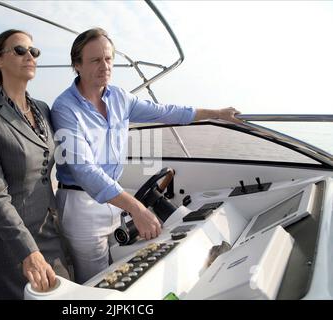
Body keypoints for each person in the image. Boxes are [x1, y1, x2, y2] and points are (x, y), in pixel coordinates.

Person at [51, 27, 242, 284]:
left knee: (119, 269)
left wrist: (216, 114)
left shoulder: (119, 97)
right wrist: (138, 209)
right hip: (80, 203)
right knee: (96, 280)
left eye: (108, 59)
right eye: (96, 60)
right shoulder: (65, 107)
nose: (104, 65)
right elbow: (85, 170)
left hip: (113, 197)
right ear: (77, 65)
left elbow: (165, 111)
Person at [0, 29, 70, 299]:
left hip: (48, 229)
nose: (30, 56)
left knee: (68, 293)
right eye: (20, 50)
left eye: (34, 51)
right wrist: (28, 252)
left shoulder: (43, 109)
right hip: (8, 243)